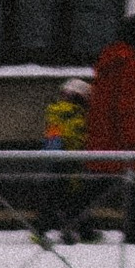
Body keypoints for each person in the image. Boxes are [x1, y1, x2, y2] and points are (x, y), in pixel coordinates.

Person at [84, 11, 135, 245]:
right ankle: (134, 232)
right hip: (122, 137)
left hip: (107, 133)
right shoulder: (129, 63)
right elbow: (130, 105)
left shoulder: (113, 59)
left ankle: (76, 224)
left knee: (99, 183)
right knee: (129, 186)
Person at [33, 73, 93, 245]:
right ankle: (73, 232)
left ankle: (41, 230)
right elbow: (76, 138)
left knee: (51, 199)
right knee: (72, 200)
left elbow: (52, 137)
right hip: (70, 163)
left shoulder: (54, 112)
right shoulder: (77, 115)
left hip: (52, 161)